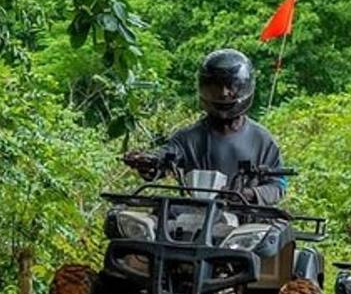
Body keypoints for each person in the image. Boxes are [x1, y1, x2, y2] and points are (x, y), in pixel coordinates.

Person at [123, 49, 286, 205]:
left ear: (245, 88)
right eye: (216, 88)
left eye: (232, 87)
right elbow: (166, 156)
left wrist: (248, 194)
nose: (224, 93)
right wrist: (149, 161)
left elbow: (279, 185)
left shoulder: (262, 140)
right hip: (196, 217)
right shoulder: (187, 138)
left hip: (246, 222)